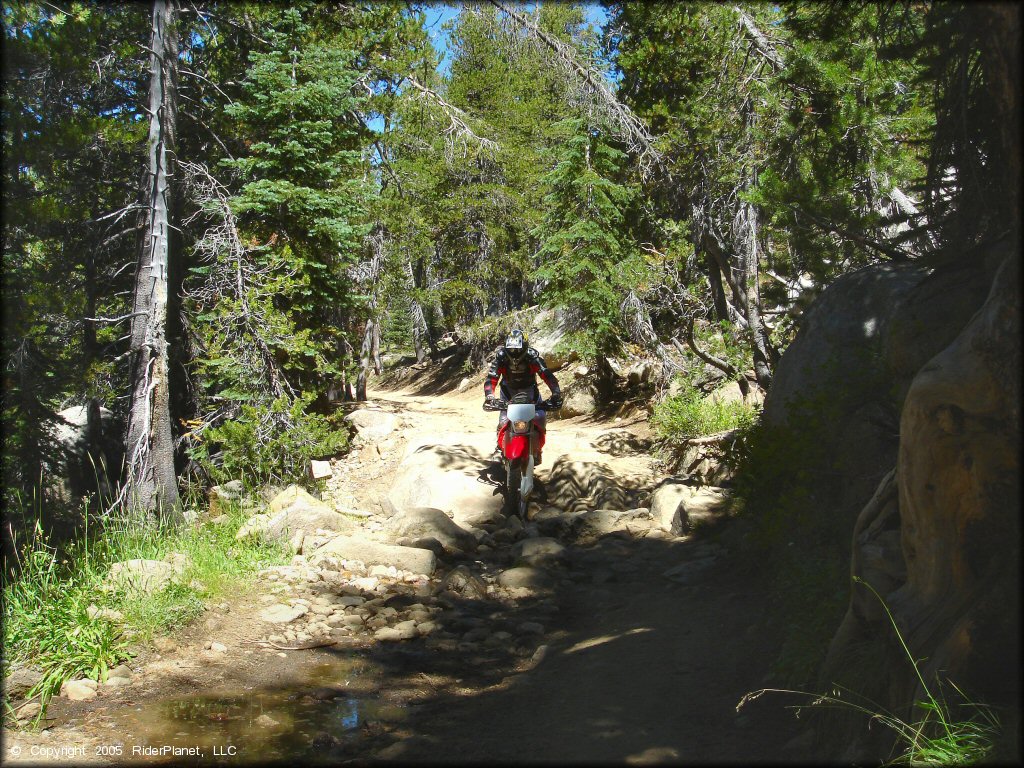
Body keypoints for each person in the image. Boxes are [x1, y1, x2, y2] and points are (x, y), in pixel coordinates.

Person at [484, 328, 562, 464]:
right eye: (512, 349)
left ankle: (536, 447)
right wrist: (490, 396)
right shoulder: (502, 357)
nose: (514, 353)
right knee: (504, 419)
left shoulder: (532, 357)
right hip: (508, 391)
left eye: (517, 349)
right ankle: (499, 447)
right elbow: (492, 378)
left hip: (529, 391)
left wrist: (556, 393)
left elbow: (547, 375)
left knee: (540, 416)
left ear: (524, 346)